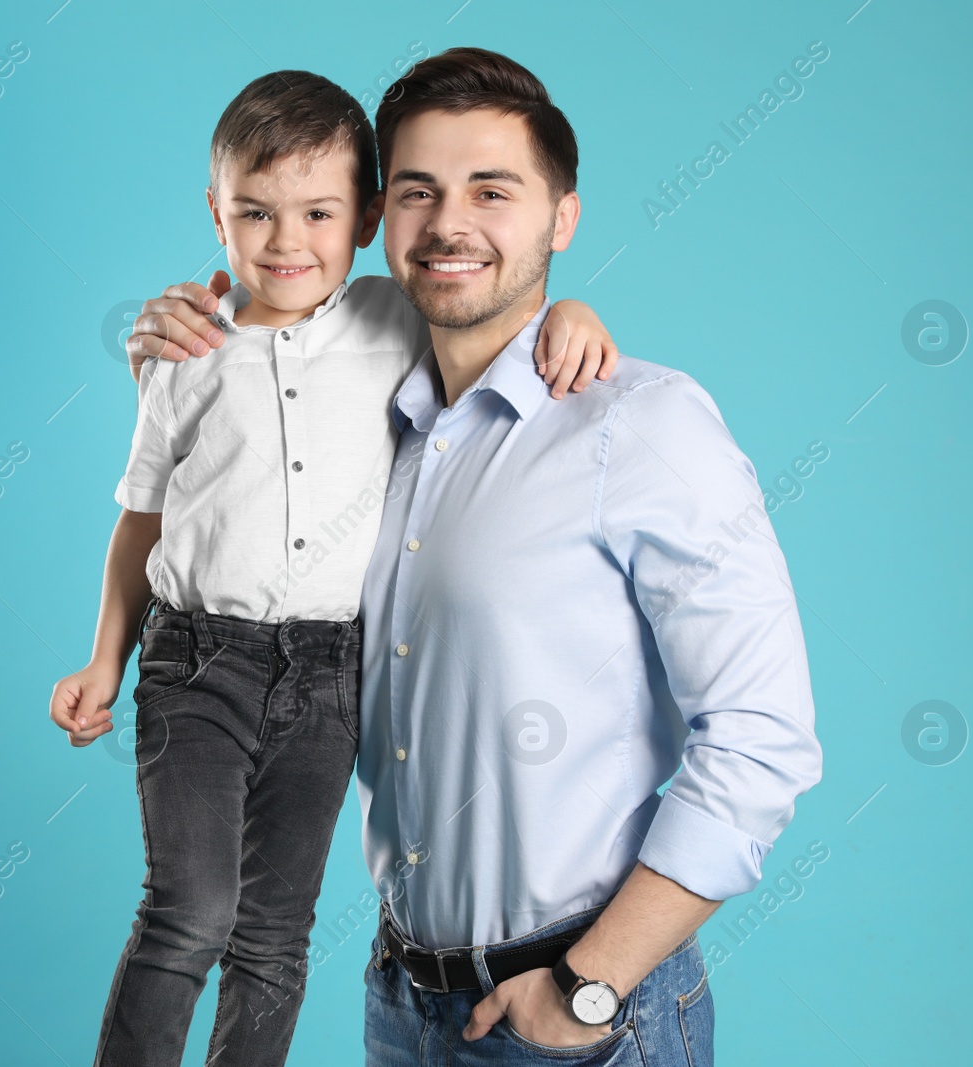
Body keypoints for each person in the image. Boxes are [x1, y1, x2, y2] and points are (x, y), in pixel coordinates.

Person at [145, 47, 826, 1066]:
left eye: (491, 191)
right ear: (381, 218)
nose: (449, 223)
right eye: (419, 191)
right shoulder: (371, 429)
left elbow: (763, 742)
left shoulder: (639, 426)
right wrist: (185, 330)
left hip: (573, 1015)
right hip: (401, 1000)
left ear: (562, 218)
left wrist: (585, 985)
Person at [48, 68, 620, 1067]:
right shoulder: (183, 350)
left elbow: (498, 320)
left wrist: (572, 316)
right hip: (196, 661)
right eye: (254, 214)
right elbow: (141, 520)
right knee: (191, 909)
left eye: (316, 213)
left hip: (329, 672)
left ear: (361, 219)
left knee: (274, 930)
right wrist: (105, 657)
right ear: (216, 216)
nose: (284, 241)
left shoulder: (390, 320)